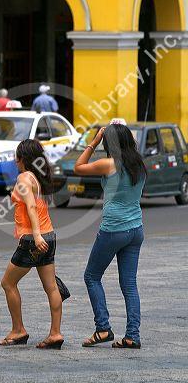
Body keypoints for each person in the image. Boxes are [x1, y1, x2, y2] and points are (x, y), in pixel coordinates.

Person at [74, 124, 147, 349]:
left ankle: (103, 328)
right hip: (136, 229)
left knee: (92, 276)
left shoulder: (109, 164)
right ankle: (132, 335)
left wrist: (93, 142)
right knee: (129, 284)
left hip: (114, 229)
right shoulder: (139, 165)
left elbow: (78, 167)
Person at [0, 139, 64, 350]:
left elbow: (31, 208)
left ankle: (18, 330)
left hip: (33, 240)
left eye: (17, 157)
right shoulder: (37, 177)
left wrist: (36, 236)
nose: (15, 161)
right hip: (50, 235)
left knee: (8, 283)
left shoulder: (24, 178)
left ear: (23, 159)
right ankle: (55, 334)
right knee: (51, 287)